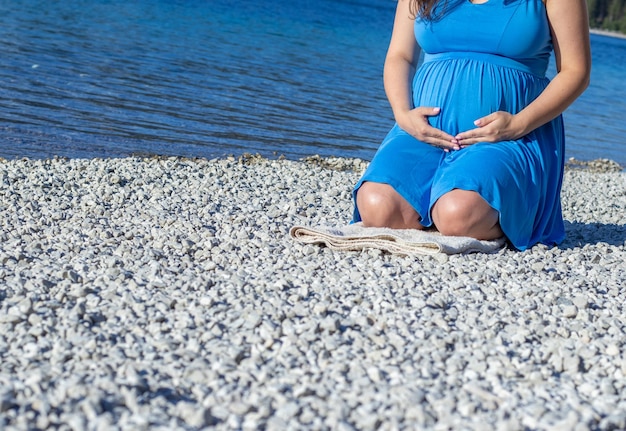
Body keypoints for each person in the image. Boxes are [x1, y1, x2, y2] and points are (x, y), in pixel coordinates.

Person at [353, 0, 591, 250]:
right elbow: (400, 57)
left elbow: (576, 71)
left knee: (458, 215)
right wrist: (403, 114)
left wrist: (519, 124)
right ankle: (441, 203)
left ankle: (484, 210)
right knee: (376, 206)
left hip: (509, 138)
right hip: (423, 134)